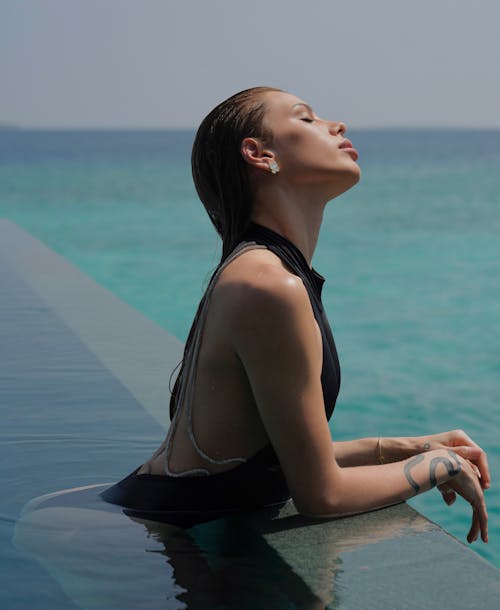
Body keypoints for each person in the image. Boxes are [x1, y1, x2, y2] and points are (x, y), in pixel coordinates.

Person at [101, 87, 489, 542]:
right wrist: (438, 465)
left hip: (148, 527)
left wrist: (409, 447)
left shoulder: (264, 270)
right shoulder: (269, 285)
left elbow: (282, 456)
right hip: (127, 542)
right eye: (306, 119)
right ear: (260, 154)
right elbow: (322, 495)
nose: (336, 124)